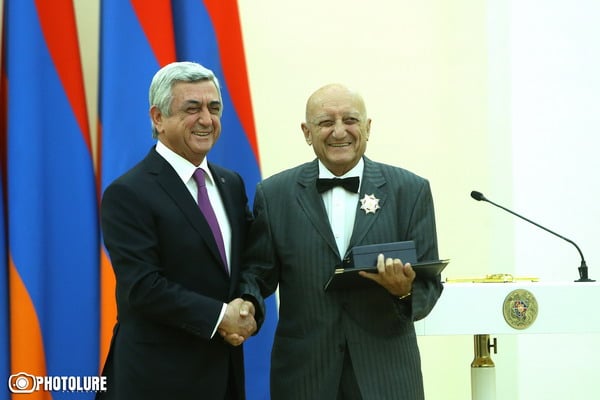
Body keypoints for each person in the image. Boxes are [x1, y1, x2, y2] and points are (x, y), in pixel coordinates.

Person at [238, 83, 443, 399]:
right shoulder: (274, 194)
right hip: (304, 377)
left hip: (387, 376)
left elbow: (429, 284)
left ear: (367, 127)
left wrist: (404, 291)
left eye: (350, 120)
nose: (339, 131)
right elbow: (258, 273)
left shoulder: (410, 191)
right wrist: (246, 303)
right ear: (307, 132)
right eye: (325, 122)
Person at [97, 61, 256, 400]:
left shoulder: (230, 183)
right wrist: (221, 317)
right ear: (158, 118)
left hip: (224, 376)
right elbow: (143, 287)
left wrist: (249, 304)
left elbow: (249, 259)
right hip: (156, 380)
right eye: (192, 108)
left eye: (214, 108)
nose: (206, 120)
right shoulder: (128, 193)